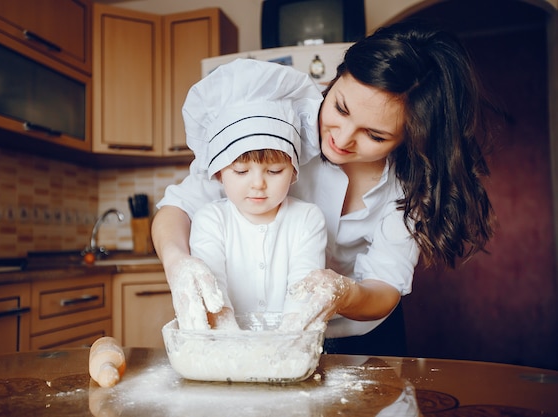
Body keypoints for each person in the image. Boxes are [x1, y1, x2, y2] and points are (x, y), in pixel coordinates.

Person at [152, 20, 496, 355]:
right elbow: (178, 208)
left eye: (375, 135)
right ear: (335, 78)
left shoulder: (411, 185)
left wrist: (341, 293)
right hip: (259, 333)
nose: (342, 139)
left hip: (364, 335)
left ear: (409, 137)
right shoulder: (276, 124)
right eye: (340, 108)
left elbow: (384, 287)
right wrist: (177, 262)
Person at [182, 59, 327, 329]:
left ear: (294, 171)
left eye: (274, 171)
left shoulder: (307, 219)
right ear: (218, 173)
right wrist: (235, 348)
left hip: (290, 349)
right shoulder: (210, 220)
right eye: (240, 171)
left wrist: (286, 348)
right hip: (227, 351)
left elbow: (302, 296)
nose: (258, 184)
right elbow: (215, 296)